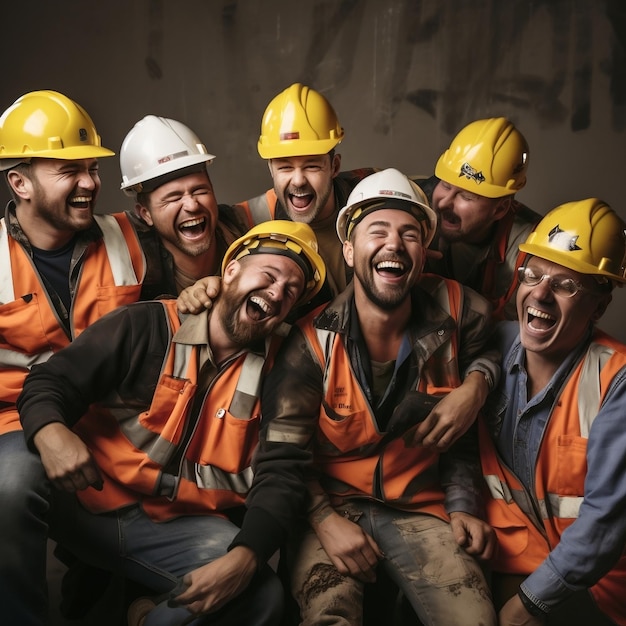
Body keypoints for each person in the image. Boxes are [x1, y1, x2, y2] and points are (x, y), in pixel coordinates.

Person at [16, 220, 326, 626]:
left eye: (291, 291)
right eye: (269, 276)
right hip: (85, 504)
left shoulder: (285, 368)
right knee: (11, 486)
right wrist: (50, 431)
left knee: (261, 598)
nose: (277, 293)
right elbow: (51, 380)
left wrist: (247, 555)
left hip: (177, 527)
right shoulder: (147, 325)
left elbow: (282, 470)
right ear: (229, 272)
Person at [258, 168, 499, 626]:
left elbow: (479, 389)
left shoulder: (461, 314)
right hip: (328, 506)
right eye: (378, 232)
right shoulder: (309, 343)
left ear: (423, 254)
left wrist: (463, 503)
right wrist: (325, 519)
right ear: (349, 250)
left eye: (410, 234)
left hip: (420, 506)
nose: (395, 245)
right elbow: (282, 454)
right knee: (331, 617)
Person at [0, 89, 149, 625]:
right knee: (9, 485)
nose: (89, 182)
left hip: (112, 425)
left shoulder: (130, 238)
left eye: (91, 168)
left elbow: (214, 214)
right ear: (19, 182)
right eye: (69, 170)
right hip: (16, 427)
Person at [478, 198, 626, 626]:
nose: (539, 293)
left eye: (565, 285)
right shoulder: (489, 344)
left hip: (593, 590)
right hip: (513, 559)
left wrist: (527, 606)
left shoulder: (614, 380)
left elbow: (604, 524)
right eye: (533, 275)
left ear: (598, 307)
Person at [181, 82, 375, 313]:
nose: (298, 180)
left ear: (334, 166)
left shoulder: (370, 198)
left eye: (312, 166)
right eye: (285, 167)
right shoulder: (251, 221)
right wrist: (202, 288)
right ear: (270, 170)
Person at [420, 117, 541, 320]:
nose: (443, 203)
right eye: (445, 185)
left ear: (500, 208)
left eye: (466, 196)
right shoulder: (415, 205)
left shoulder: (534, 248)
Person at [119, 114, 245, 300]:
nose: (192, 205)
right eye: (173, 198)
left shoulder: (246, 234)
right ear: (146, 214)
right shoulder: (140, 278)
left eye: (200, 191)